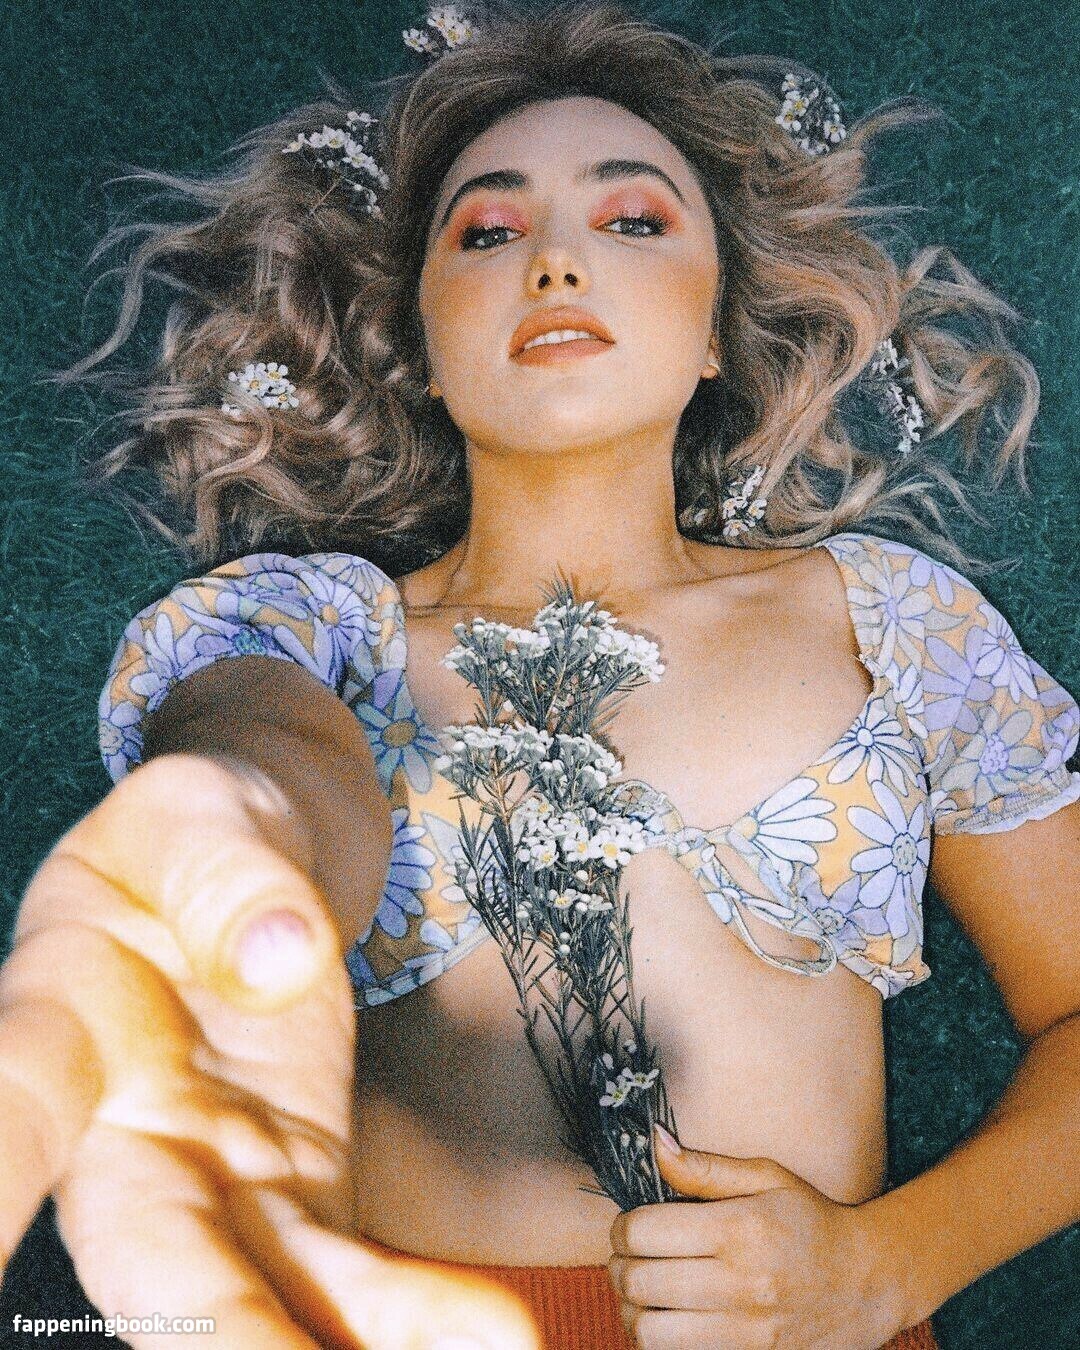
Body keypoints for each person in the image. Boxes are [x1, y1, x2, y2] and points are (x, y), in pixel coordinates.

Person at [3, 2, 1078, 1347]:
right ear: (425, 347)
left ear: (714, 328)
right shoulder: (306, 638)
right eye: (488, 233)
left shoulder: (887, 625)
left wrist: (891, 1262)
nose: (557, 260)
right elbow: (264, 767)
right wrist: (221, 826)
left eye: (631, 220)